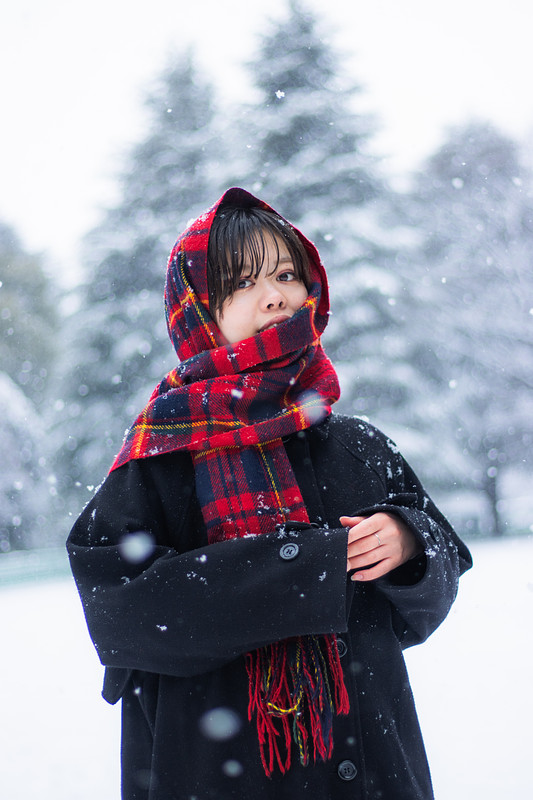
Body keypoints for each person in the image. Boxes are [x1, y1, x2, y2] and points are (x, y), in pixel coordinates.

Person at [67, 187, 472, 800]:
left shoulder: (355, 444)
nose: (277, 295)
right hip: (213, 774)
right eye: (244, 282)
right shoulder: (156, 460)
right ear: (199, 311)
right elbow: (126, 617)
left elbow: (439, 577)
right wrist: (304, 568)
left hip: (372, 773)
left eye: (286, 273)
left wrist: (409, 542)